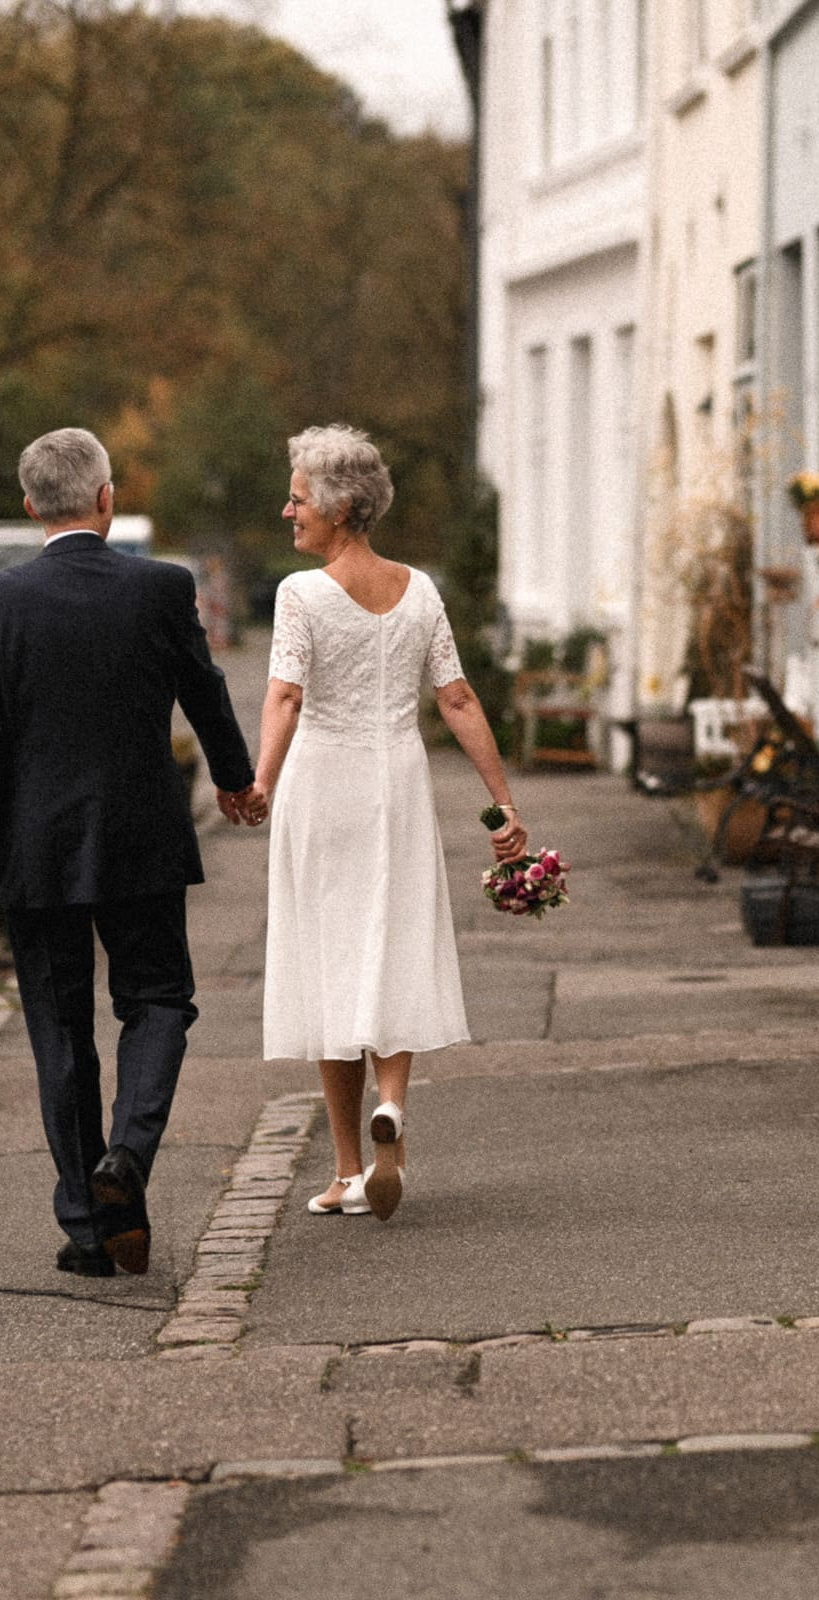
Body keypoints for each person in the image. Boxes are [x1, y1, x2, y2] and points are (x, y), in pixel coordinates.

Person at [0, 427, 261, 1278]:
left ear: (29, 507)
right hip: (140, 837)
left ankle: (88, 1225)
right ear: (106, 498)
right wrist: (236, 780)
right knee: (157, 1002)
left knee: (59, 1031)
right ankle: (127, 1154)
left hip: (34, 849)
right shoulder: (159, 587)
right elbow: (205, 687)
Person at [254, 424, 524, 1221]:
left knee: (329, 960)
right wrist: (504, 802)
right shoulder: (422, 590)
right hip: (397, 783)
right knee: (394, 939)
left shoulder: (299, 596)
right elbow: (458, 698)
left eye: (298, 498)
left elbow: (286, 696)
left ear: (339, 507)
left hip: (322, 788)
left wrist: (259, 781)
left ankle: (345, 1169)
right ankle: (392, 1118)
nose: (287, 510)